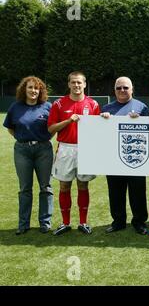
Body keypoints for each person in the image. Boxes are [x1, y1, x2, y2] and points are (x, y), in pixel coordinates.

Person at [47, 71, 100, 235]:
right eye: (73, 82)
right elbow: (51, 129)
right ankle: (65, 222)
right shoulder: (59, 104)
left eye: (79, 82)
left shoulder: (93, 104)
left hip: (86, 148)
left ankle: (83, 222)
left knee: (83, 184)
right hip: (65, 148)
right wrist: (69, 121)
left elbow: (99, 129)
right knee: (64, 185)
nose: (76, 85)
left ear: (85, 84)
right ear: (69, 84)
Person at [3, 76, 54, 235]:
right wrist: (24, 140)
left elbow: (52, 128)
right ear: (24, 89)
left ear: (41, 91)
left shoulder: (47, 107)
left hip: (43, 150)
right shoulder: (15, 107)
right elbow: (11, 129)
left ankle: (45, 222)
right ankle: (23, 224)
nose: (33, 91)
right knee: (25, 188)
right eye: (30, 87)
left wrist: (42, 141)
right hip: (22, 151)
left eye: (36, 88)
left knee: (45, 187)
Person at [100, 77, 149, 235]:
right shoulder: (107, 108)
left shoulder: (141, 107)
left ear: (132, 89)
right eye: (119, 88)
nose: (122, 90)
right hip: (113, 157)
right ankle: (118, 221)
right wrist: (103, 120)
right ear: (114, 90)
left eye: (125, 88)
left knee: (138, 192)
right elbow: (99, 133)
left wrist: (141, 120)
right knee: (115, 192)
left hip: (136, 157)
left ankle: (139, 222)